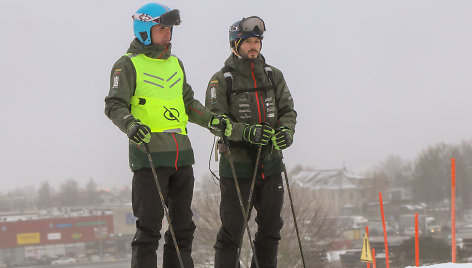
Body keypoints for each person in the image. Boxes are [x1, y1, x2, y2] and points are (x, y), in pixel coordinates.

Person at [104, 3, 230, 267]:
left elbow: (188, 103)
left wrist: (213, 121)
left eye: (170, 29)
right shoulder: (127, 64)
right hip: (149, 156)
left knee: (183, 228)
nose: (168, 34)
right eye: (162, 28)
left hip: (181, 156)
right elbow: (115, 105)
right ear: (144, 30)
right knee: (149, 229)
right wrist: (130, 125)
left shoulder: (175, 63)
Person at [205, 16, 297, 268]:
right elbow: (214, 121)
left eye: (257, 41)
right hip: (237, 166)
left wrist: (286, 132)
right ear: (235, 45)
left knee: (271, 229)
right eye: (248, 42)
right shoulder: (221, 79)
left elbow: (288, 111)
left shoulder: (273, 75)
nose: (254, 46)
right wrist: (246, 132)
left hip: (271, 164)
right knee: (233, 231)